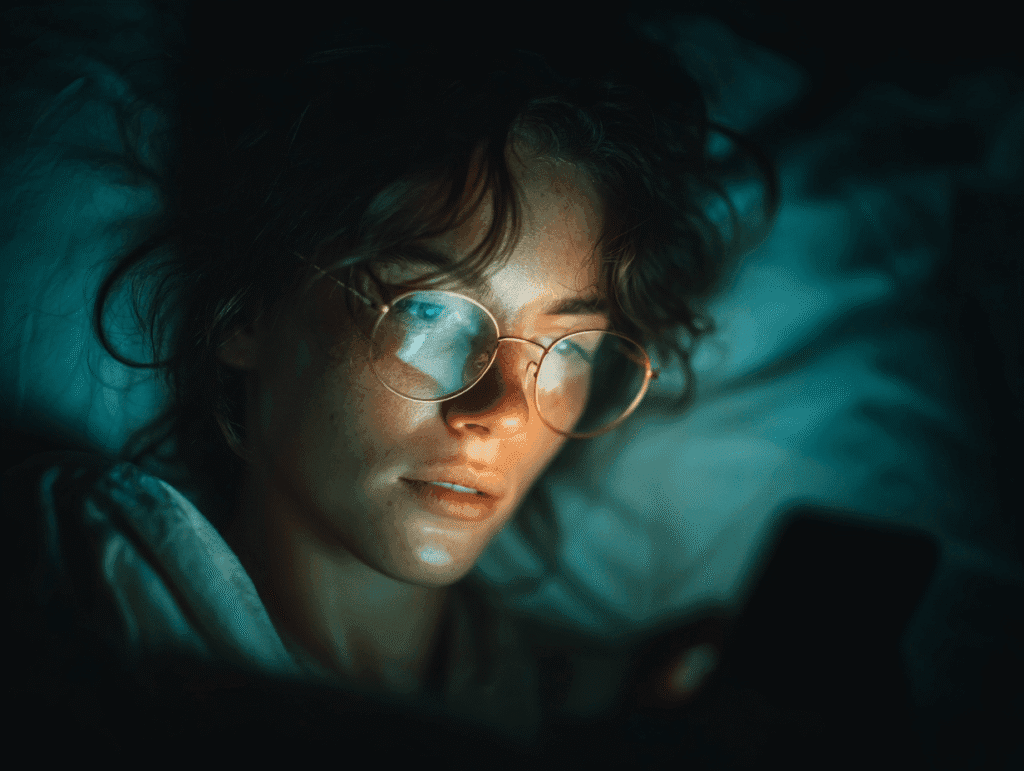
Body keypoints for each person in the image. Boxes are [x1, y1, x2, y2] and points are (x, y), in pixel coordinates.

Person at [4, 7, 776, 756]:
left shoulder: (569, 693)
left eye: (568, 346)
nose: (501, 410)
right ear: (248, 312)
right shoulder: (93, 576)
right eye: (433, 312)